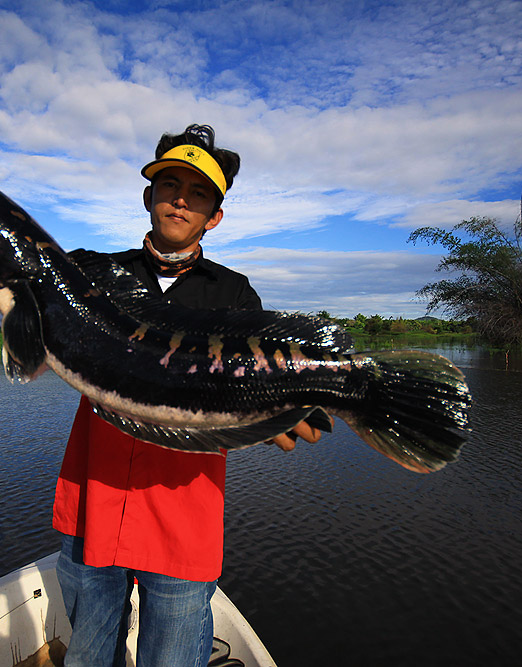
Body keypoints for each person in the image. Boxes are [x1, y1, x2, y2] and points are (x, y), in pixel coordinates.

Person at [49, 124, 324, 667]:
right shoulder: (91, 275)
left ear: (215, 215)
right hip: (93, 499)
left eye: (199, 192)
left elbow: (255, 378)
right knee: (86, 658)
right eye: (170, 184)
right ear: (148, 196)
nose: (181, 199)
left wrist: (275, 412)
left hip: (184, 510)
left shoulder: (236, 294)